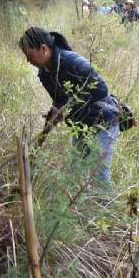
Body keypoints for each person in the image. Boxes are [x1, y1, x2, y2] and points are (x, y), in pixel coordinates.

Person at [19, 27, 120, 187]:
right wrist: (55, 112)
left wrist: (68, 105)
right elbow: (59, 99)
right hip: (80, 124)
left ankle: (105, 206)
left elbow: (101, 89)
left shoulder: (71, 61)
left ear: (43, 49)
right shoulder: (44, 73)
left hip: (103, 121)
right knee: (76, 171)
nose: (28, 60)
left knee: (99, 174)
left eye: (29, 55)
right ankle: (82, 209)